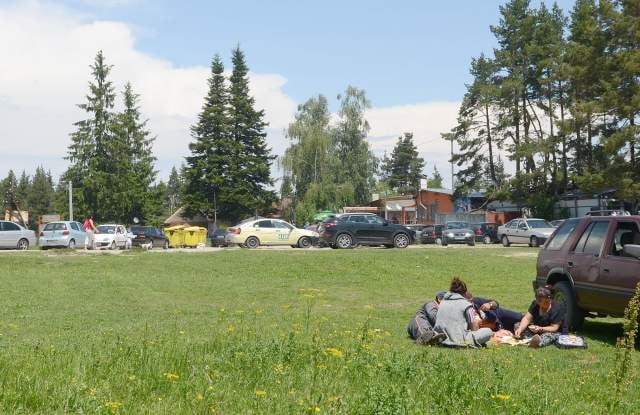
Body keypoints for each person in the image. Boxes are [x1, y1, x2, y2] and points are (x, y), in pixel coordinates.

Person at [433, 278, 494, 348]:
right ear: (465, 293)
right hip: (460, 340)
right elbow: (474, 328)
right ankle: (466, 344)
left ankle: (437, 339)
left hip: (441, 337)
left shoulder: (442, 303)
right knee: (488, 331)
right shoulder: (467, 305)